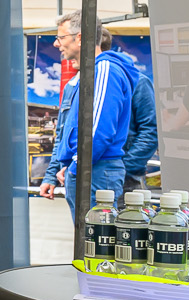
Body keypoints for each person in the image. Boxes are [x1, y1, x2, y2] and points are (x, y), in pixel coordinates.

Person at [38, 15, 138, 203]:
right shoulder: (87, 76)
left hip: (94, 172)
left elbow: (99, 130)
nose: (56, 44)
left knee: (92, 232)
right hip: (87, 170)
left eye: (61, 37)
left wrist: (76, 166)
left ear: (80, 37)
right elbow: (66, 130)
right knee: (85, 232)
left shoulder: (104, 69)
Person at [122, 63, 158, 192]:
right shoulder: (80, 83)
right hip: (88, 178)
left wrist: (123, 168)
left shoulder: (138, 82)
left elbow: (151, 132)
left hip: (125, 181)